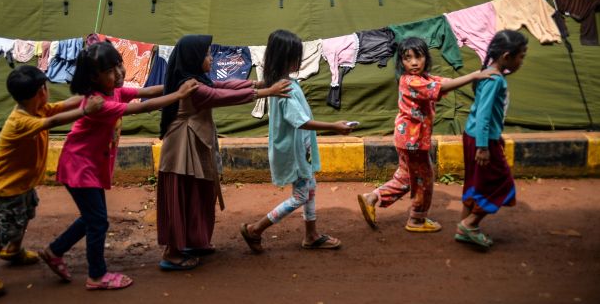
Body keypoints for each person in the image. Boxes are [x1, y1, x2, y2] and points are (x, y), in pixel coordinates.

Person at [39, 41, 198, 290]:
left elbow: (146, 93)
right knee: (98, 221)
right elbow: (143, 107)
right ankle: (96, 275)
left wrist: (175, 85)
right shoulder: (98, 104)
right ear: (94, 77)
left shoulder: (113, 92)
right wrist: (178, 96)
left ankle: (54, 251)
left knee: (92, 218)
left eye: (119, 65)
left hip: (88, 166)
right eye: (112, 70)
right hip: (80, 168)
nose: (120, 72)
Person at [156, 34, 291, 270]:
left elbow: (222, 85)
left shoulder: (197, 79)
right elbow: (218, 96)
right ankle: (172, 253)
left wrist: (257, 84)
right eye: (206, 54)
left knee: (199, 192)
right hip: (180, 148)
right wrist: (266, 92)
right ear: (194, 58)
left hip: (195, 144)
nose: (211, 58)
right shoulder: (189, 86)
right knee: (181, 194)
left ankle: (193, 240)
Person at [0, 65, 104, 297]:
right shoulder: (20, 121)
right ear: (41, 91)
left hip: (23, 184)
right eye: (46, 86)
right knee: (5, 230)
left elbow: (63, 106)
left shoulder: (38, 108)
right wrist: (86, 111)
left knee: (26, 215)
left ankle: (13, 251)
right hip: (7, 188)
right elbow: (53, 122)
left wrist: (87, 98)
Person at [357, 37, 500, 233]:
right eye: (407, 58)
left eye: (418, 56)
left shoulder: (425, 78)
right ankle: (416, 219)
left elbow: (445, 81)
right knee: (424, 179)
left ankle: (373, 197)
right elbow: (442, 88)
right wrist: (475, 76)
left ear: (426, 58)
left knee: (406, 177)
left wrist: (478, 74)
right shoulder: (411, 81)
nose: (414, 62)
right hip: (412, 141)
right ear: (401, 62)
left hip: (407, 139)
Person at [240, 29, 353, 254]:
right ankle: (255, 229)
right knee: (300, 196)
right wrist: (334, 127)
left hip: (302, 150)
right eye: (296, 56)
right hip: (295, 152)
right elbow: (301, 122)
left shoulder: (281, 83)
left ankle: (311, 235)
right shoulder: (286, 89)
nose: (299, 60)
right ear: (285, 58)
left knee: (309, 188)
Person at [456, 30, 528, 249]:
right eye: (520, 56)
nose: (521, 61)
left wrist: (493, 137)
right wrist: (484, 146)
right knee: (502, 184)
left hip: (476, 136)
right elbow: (485, 113)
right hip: (481, 140)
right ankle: (470, 224)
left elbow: (487, 113)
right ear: (506, 56)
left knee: (474, 181)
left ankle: (462, 226)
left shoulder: (488, 74)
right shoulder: (494, 79)